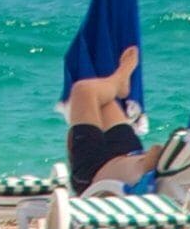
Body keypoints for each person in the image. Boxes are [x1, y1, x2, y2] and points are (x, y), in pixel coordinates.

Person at [64, 43, 151, 191]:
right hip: (129, 156)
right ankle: (118, 82)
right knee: (104, 103)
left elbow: (152, 161)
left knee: (83, 91)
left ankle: (118, 80)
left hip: (98, 178)